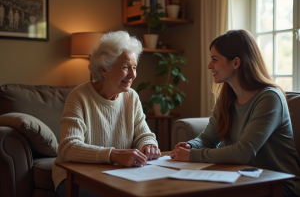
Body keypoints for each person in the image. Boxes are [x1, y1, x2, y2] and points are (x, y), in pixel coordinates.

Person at [170, 29, 300, 197]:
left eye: (215, 59)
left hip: (280, 185)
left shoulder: (270, 98)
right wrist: (191, 145)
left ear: (236, 62)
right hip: (240, 177)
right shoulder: (226, 97)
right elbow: (209, 138)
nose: (210, 65)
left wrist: (192, 155)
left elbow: (243, 152)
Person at [53, 31, 161, 197]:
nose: (133, 75)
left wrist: (148, 145)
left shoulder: (131, 97)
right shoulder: (79, 96)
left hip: (119, 175)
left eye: (134, 67)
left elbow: (143, 134)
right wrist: (113, 155)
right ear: (104, 70)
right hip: (75, 177)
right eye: (126, 67)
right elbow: (68, 147)